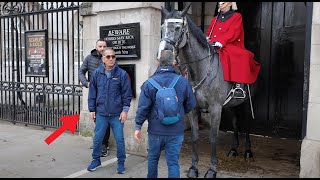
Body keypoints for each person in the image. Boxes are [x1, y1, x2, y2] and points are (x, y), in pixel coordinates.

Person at [134, 50, 197, 178]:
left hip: (155, 131)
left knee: (152, 159)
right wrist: (179, 112)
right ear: (173, 62)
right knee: (173, 163)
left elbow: (143, 108)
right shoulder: (183, 82)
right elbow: (191, 104)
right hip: (176, 131)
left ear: (159, 62)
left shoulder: (149, 83)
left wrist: (137, 127)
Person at [86, 47, 132, 173]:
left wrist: (125, 110)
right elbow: (92, 93)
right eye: (108, 57)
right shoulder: (97, 73)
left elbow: (127, 94)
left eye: (113, 56)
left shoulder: (122, 74)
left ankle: (121, 163)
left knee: (120, 139)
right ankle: (96, 160)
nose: (111, 59)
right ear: (103, 59)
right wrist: (91, 109)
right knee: (98, 138)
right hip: (101, 113)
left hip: (117, 114)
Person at [206, 2, 261, 98]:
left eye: (223, 3)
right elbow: (209, 32)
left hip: (230, 44)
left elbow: (233, 32)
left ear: (230, 4)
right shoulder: (215, 19)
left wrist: (221, 42)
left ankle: (239, 85)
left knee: (242, 56)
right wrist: (207, 39)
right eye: (219, 3)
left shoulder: (236, 16)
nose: (220, 5)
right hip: (214, 45)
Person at [79, 39, 111, 157]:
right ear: (96, 46)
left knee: (105, 119)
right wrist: (86, 83)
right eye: (100, 46)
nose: (102, 48)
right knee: (96, 119)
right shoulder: (89, 58)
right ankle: (99, 141)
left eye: (104, 46)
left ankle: (104, 145)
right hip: (94, 94)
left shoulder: (109, 58)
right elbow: (81, 71)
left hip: (107, 94)